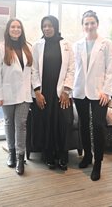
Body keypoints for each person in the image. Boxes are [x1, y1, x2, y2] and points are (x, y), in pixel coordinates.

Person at [73, 10, 112, 181]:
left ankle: (97, 163)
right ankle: (87, 157)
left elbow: (110, 69)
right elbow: (74, 69)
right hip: (80, 91)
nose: (89, 26)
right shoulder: (77, 45)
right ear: (83, 26)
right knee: (83, 124)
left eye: (92, 23)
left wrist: (107, 91)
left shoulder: (106, 44)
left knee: (98, 126)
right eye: (86, 23)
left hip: (100, 93)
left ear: (97, 24)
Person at [0, 18, 33, 175]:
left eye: (18, 27)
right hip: (7, 93)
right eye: (13, 27)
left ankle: (21, 157)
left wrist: (36, 91)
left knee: (21, 124)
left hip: (24, 94)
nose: (16, 29)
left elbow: (33, 72)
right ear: (8, 30)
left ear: (22, 30)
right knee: (9, 122)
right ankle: (11, 152)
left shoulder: (28, 48)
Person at [31, 15, 75, 171]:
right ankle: (49, 155)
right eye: (44, 26)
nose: (47, 28)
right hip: (44, 92)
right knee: (47, 124)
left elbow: (71, 69)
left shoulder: (66, 45)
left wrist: (66, 91)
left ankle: (63, 156)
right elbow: (34, 70)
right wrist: (37, 92)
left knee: (64, 123)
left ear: (55, 27)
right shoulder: (37, 45)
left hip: (62, 93)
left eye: (50, 25)